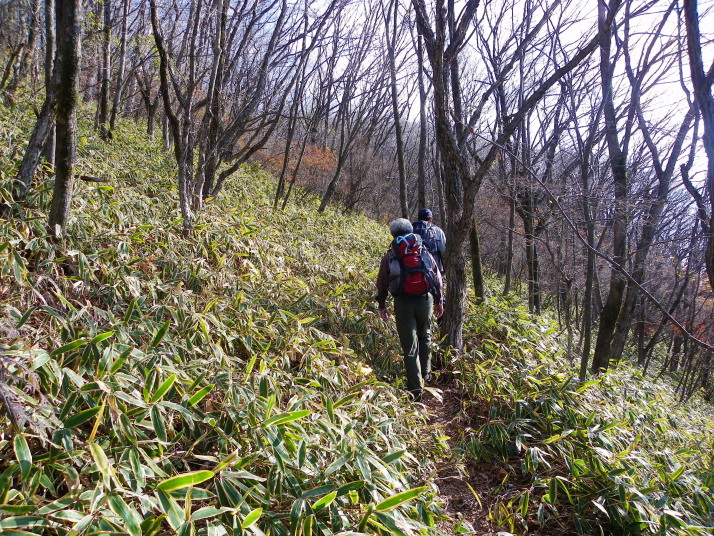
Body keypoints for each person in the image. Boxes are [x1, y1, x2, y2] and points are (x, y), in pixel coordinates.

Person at [376, 218, 444, 401]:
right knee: (425, 336)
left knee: (410, 346)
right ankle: (425, 375)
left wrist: (382, 305)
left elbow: (382, 282)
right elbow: (437, 277)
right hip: (426, 300)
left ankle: (415, 390)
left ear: (393, 234)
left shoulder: (391, 256)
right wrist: (440, 301)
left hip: (403, 302)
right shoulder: (424, 252)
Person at [411, 208, 446, 275]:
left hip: (414, 268)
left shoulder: (411, 230)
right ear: (431, 219)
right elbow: (443, 251)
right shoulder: (437, 231)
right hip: (434, 269)